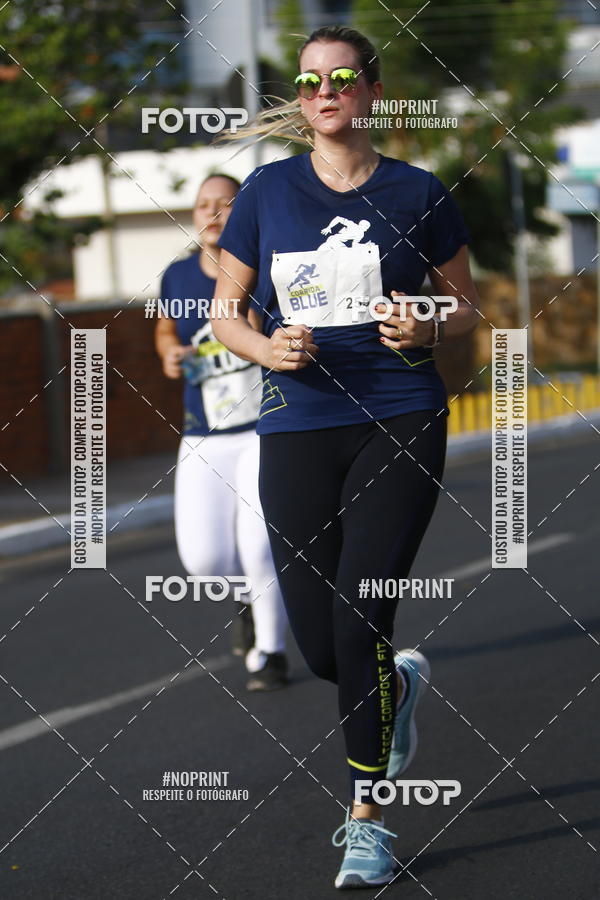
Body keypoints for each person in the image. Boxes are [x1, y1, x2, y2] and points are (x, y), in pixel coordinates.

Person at [211, 26, 479, 888]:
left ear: (369, 91)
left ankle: (367, 816)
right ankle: (394, 689)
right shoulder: (264, 191)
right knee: (327, 648)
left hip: (400, 415)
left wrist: (426, 322)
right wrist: (267, 350)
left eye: (342, 78)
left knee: (363, 610)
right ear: (301, 97)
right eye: (309, 80)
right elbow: (226, 312)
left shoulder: (418, 191)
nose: (324, 91)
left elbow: (467, 308)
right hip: (295, 421)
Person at [155, 173, 289, 692]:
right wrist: (169, 352)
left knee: (259, 547)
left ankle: (270, 654)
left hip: (266, 425)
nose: (213, 213)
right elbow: (166, 327)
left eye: (225, 204)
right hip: (204, 432)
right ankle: (248, 600)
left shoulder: (268, 265)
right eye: (203, 205)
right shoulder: (178, 275)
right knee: (205, 560)